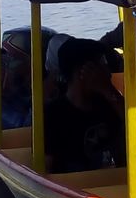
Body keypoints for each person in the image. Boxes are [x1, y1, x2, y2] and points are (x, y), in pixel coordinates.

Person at [44, 38, 128, 173]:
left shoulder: (109, 103)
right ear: (83, 72)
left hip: (116, 183)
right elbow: (46, 168)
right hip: (74, 188)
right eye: (102, 65)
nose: (108, 72)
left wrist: (109, 90)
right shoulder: (52, 115)